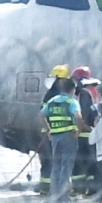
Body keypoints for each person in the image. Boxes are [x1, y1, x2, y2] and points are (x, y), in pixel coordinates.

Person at [40, 78, 84, 203]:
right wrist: (78, 131)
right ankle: (63, 196)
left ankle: (52, 194)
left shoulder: (52, 101)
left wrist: (48, 130)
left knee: (56, 166)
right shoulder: (72, 101)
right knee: (66, 166)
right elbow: (78, 117)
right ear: (73, 89)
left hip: (55, 137)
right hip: (69, 136)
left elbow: (42, 115)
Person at [38, 64, 71, 194]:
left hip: (48, 132)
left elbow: (42, 113)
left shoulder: (48, 94)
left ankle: (45, 188)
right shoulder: (61, 96)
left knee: (47, 161)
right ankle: (57, 188)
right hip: (58, 132)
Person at [71, 65, 99, 192]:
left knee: (78, 163)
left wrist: (80, 128)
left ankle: (79, 188)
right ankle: (93, 189)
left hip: (84, 133)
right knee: (91, 163)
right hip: (93, 131)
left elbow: (82, 113)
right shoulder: (92, 91)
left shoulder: (83, 94)